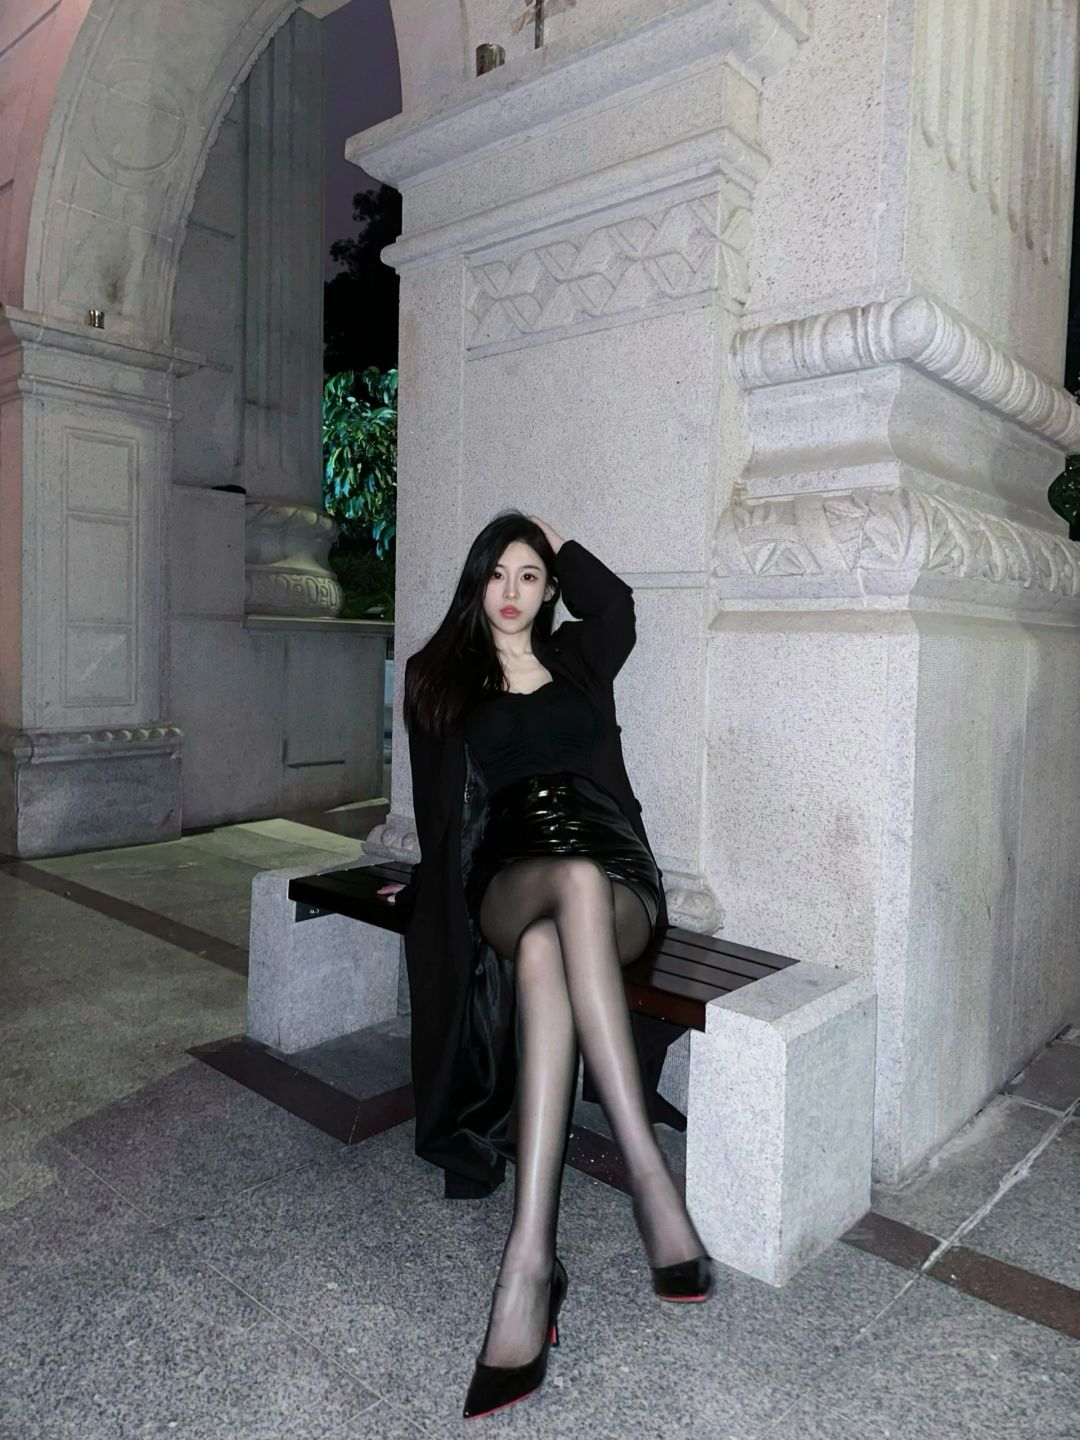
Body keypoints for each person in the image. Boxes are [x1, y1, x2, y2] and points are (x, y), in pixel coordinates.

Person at [377, 511, 712, 1420]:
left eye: (529, 575)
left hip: (616, 871)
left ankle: (529, 1264)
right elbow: (439, 813)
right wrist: (426, 900)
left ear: (549, 589)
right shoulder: (441, 680)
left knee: (546, 949)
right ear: (476, 583)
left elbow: (620, 606)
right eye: (498, 574)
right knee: (550, 902)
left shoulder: (579, 660)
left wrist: (556, 543)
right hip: (511, 874)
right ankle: (649, 1177)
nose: (513, 591)